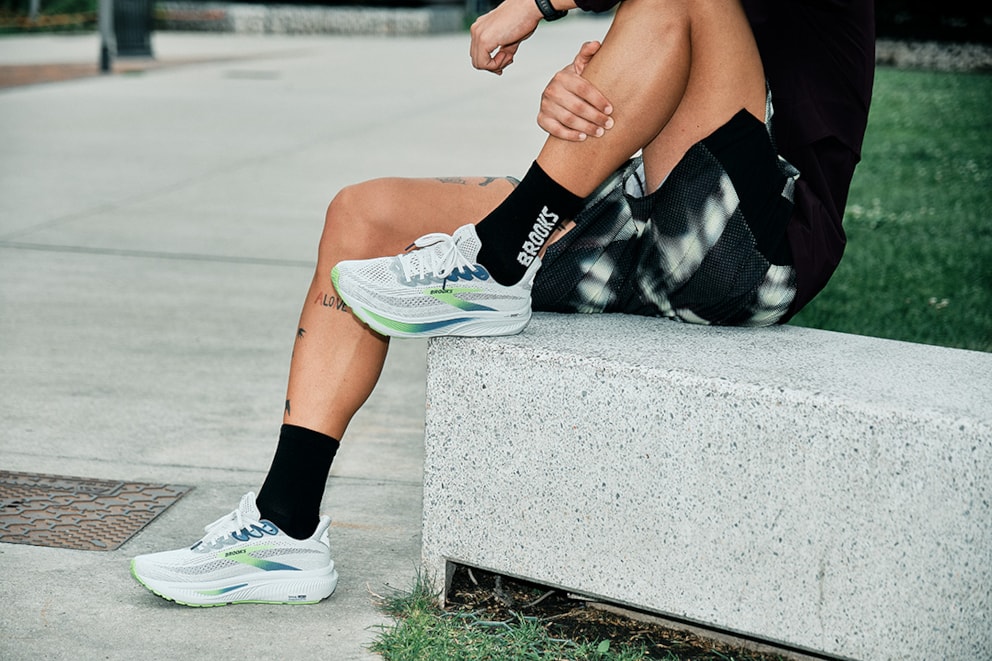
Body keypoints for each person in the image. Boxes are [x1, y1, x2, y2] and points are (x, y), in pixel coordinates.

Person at [131, 0, 875, 606]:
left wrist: (536, 3)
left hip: (753, 244)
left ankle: (495, 262)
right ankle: (283, 528)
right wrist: (589, 90)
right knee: (361, 216)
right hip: (641, 214)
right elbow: (647, 90)